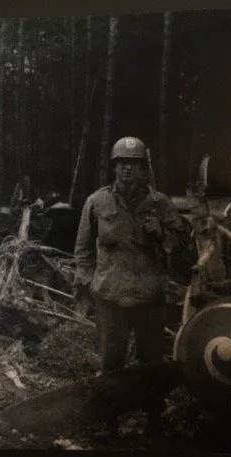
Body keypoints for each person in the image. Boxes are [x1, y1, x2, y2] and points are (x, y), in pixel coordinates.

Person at [73, 136, 189, 439]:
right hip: (111, 298)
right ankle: (109, 424)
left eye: (134, 164)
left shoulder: (160, 203)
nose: (127, 169)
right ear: (115, 167)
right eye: (122, 164)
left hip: (150, 298)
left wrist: (161, 232)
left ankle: (153, 421)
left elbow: (181, 248)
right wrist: (89, 285)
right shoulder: (97, 202)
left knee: (151, 364)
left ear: (143, 169)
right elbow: (83, 250)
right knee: (112, 364)